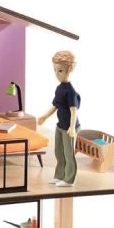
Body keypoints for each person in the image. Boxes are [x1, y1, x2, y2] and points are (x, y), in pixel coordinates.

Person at [36, 50, 80, 186]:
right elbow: (56, 105)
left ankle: (69, 179)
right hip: (60, 126)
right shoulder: (59, 88)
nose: (57, 74)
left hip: (69, 128)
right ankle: (59, 175)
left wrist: (72, 127)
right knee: (59, 153)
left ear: (69, 70)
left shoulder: (71, 92)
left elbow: (74, 111)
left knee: (68, 154)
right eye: (55, 70)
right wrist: (45, 116)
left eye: (60, 71)